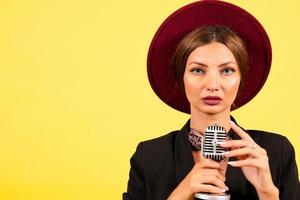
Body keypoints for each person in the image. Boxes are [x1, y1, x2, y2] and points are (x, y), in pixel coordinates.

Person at [123, 1, 300, 200]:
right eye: (198, 70)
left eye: (227, 70)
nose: (212, 85)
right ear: (182, 77)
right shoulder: (149, 157)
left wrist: (268, 193)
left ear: (241, 78)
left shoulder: (277, 151)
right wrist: (181, 192)